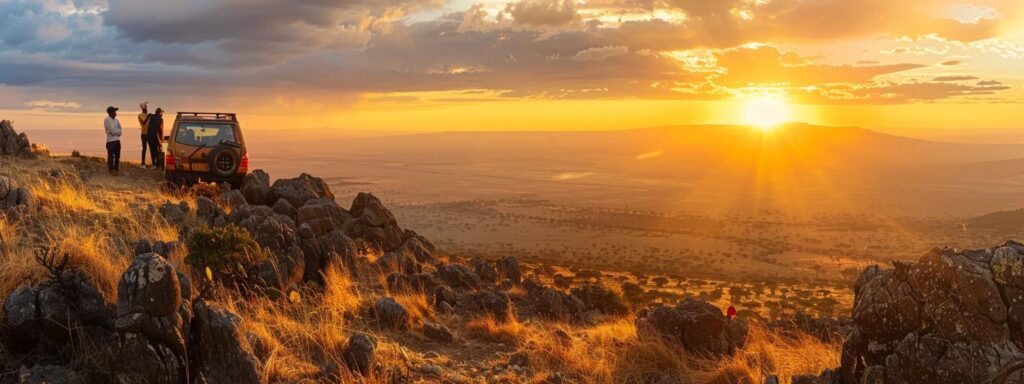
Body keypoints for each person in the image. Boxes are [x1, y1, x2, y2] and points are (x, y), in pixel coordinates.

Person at [104, 106, 123, 175]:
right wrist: (117, 131)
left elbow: (121, 130)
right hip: (110, 141)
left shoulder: (116, 120)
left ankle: (116, 169)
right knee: (111, 157)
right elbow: (112, 131)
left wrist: (117, 131)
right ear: (110, 112)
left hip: (117, 141)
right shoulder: (107, 120)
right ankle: (111, 170)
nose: (115, 113)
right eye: (114, 111)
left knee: (118, 156)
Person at [137, 101, 151, 168]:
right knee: (144, 148)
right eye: (145, 107)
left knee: (152, 148)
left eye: (146, 106)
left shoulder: (148, 115)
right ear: (143, 108)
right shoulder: (140, 115)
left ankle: (153, 163)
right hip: (144, 134)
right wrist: (148, 117)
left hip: (149, 133)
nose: (146, 108)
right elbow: (143, 123)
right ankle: (143, 163)